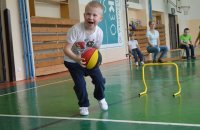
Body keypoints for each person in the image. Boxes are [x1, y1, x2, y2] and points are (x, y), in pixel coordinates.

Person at [63, 1, 108, 116]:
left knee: (99, 80)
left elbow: (96, 50)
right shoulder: (76, 30)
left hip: (88, 61)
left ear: (100, 18)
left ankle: (100, 97)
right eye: (88, 14)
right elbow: (66, 49)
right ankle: (83, 105)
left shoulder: (99, 33)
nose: (91, 17)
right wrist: (77, 59)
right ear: (84, 15)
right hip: (73, 61)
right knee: (80, 85)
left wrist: (97, 60)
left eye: (94, 15)